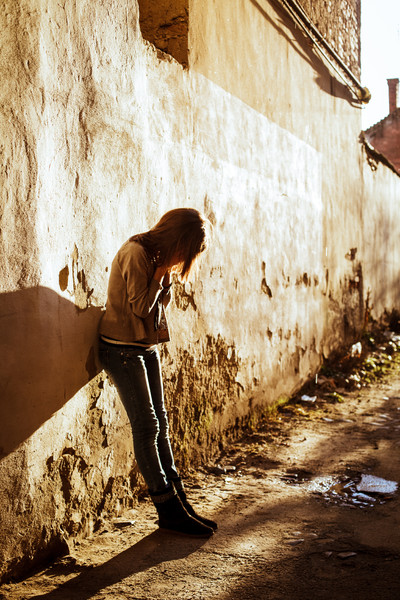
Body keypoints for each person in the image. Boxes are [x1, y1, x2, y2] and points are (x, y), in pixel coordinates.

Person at [98, 208, 217, 537]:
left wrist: (162, 278)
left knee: (161, 422)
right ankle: (167, 508)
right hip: (121, 349)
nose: (183, 259)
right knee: (147, 425)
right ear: (178, 238)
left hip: (143, 346)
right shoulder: (137, 253)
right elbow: (140, 308)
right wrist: (159, 275)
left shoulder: (155, 256)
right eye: (186, 250)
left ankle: (178, 503)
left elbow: (155, 308)